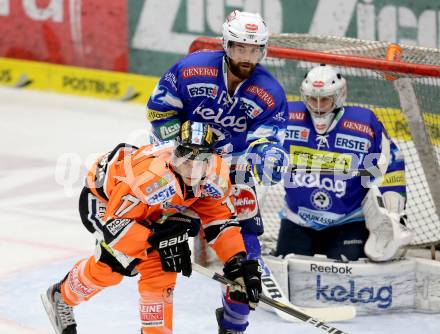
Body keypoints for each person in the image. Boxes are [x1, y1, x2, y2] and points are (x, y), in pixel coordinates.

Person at [41, 121, 263, 334]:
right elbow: (116, 226)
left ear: (210, 160)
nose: (190, 169)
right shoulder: (151, 179)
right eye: (185, 159)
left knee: (161, 270)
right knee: (116, 264)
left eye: (199, 161)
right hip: (104, 200)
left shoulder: (216, 175)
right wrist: (158, 238)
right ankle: (61, 295)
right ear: (176, 154)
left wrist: (236, 262)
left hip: (156, 209)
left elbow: (220, 220)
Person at [146, 10, 288, 334]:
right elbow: (158, 109)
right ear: (226, 44)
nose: (247, 57)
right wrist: (182, 146)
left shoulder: (270, 93)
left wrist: (268, 156)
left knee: (247, 260)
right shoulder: (191, 69)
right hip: (181, 167)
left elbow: (270, 139)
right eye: (240, 48)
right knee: (161, 249)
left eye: (254, 50)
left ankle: (233, 325)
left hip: (232, 171)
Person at [276, 64, 412, 262]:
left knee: (348, 283)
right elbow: (259, 146)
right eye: (313, 99)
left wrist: (392, 199)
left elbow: (390, 160)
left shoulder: (364, 123)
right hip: (297, 220)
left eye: (326, 100)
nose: (318, 107)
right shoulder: (289, 117)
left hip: (348, 222)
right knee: (283, 274)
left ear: (339, 97)